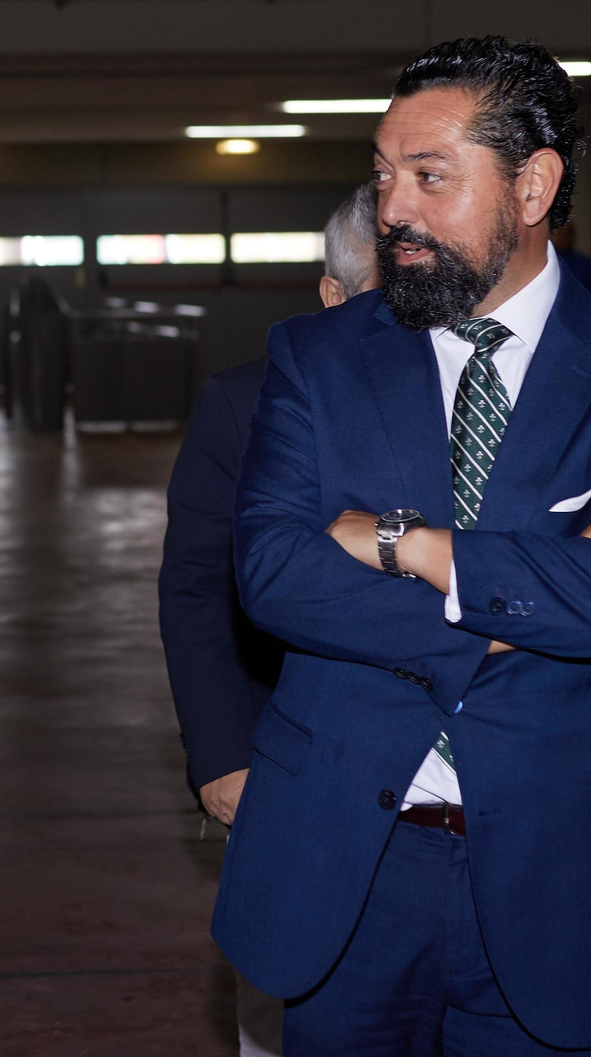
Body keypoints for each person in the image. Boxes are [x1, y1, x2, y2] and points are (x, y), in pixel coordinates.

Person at [213, 36, 591, 1055]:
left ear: (532, 187)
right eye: (383, 175)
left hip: (567, 876)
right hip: (352, 867)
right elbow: (272, 571)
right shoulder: (316, 356)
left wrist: (410, 545)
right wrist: (542, 592)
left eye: (429, 177)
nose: (392, 209)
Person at [157, 182, 378, 1057]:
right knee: (288, 991)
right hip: (291, 756)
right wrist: (221, 753)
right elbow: (196, 588)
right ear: (331, 293)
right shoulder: (243, 405)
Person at [554, 221, 591, 297]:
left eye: (566, 235)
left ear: (572, 236)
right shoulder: (548, 261)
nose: (562, 238)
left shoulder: (585, 264)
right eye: (560, 234)